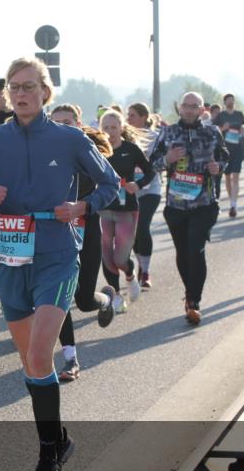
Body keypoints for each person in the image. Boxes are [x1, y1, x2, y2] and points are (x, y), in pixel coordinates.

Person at [0, 57, 119, 471]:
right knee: (30, 362)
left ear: (45, 92)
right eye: (15, 87)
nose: (21, 93)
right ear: (8, 93)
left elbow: (111, 184)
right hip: (9, 257)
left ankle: (48, 458)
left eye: (30, 86)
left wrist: (84, 207)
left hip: (55, 254)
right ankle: (60, 438)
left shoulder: (68, 139)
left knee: (40, 354)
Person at [50, 105, 116, 381]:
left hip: (86, 229)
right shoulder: (44, 153)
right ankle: (71, 360)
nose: (62, 127)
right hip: (55, 234)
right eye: (57, 123)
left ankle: (105, 299)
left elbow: (109, 187)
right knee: (60, 298)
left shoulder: (90, 151)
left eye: (67, 122)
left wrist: (82, 206)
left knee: (84, 300)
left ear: (78, 123)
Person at [149, 92, 228, 324]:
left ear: (202, 110)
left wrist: (218, 167)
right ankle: (189, 293)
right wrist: (168, 159)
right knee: (183, 252)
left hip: (204, 204)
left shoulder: (212, 132)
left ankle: (194, 300)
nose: (190, 110)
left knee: (195, 249)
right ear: (179, 108)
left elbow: (225, 157)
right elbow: (152, 163)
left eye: (195, 106)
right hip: (176, 205)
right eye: (186, 106)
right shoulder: (168, 132)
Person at [97, 110, 154, 313]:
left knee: (120, 258)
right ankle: (116, 296)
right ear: (100, 128)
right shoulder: (97, 149)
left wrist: (137, 185)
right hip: (102, 208)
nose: (110, 132)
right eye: (106, 128)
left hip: (126, 209)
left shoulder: (131, 149)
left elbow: (150, 171)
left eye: (114, 127)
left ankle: (130, 277)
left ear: (121, 127)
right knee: (106, 254)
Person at [127, 102, 162, 288]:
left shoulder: (155, 137)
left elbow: (157, 164)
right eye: (128, 114)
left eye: (132, 115)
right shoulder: (126, 137)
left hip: (150, 189)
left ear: (143, 117)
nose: (128, 118)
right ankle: (140, 263)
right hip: (130, 190)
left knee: (142, 226)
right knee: (132, 231)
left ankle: (146, 270)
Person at [212, 94, 244, 218]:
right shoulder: (221, 116)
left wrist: (242, 129)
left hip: (238, 148)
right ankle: (231, 201)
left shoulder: (239, 114)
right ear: (224, 102)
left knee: (236, 176)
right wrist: (223, 128)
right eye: (228, 100)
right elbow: (214, 131)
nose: (230, 102)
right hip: (225, 150)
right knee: (227, 177)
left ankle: (234, 205)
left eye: (232, 100)